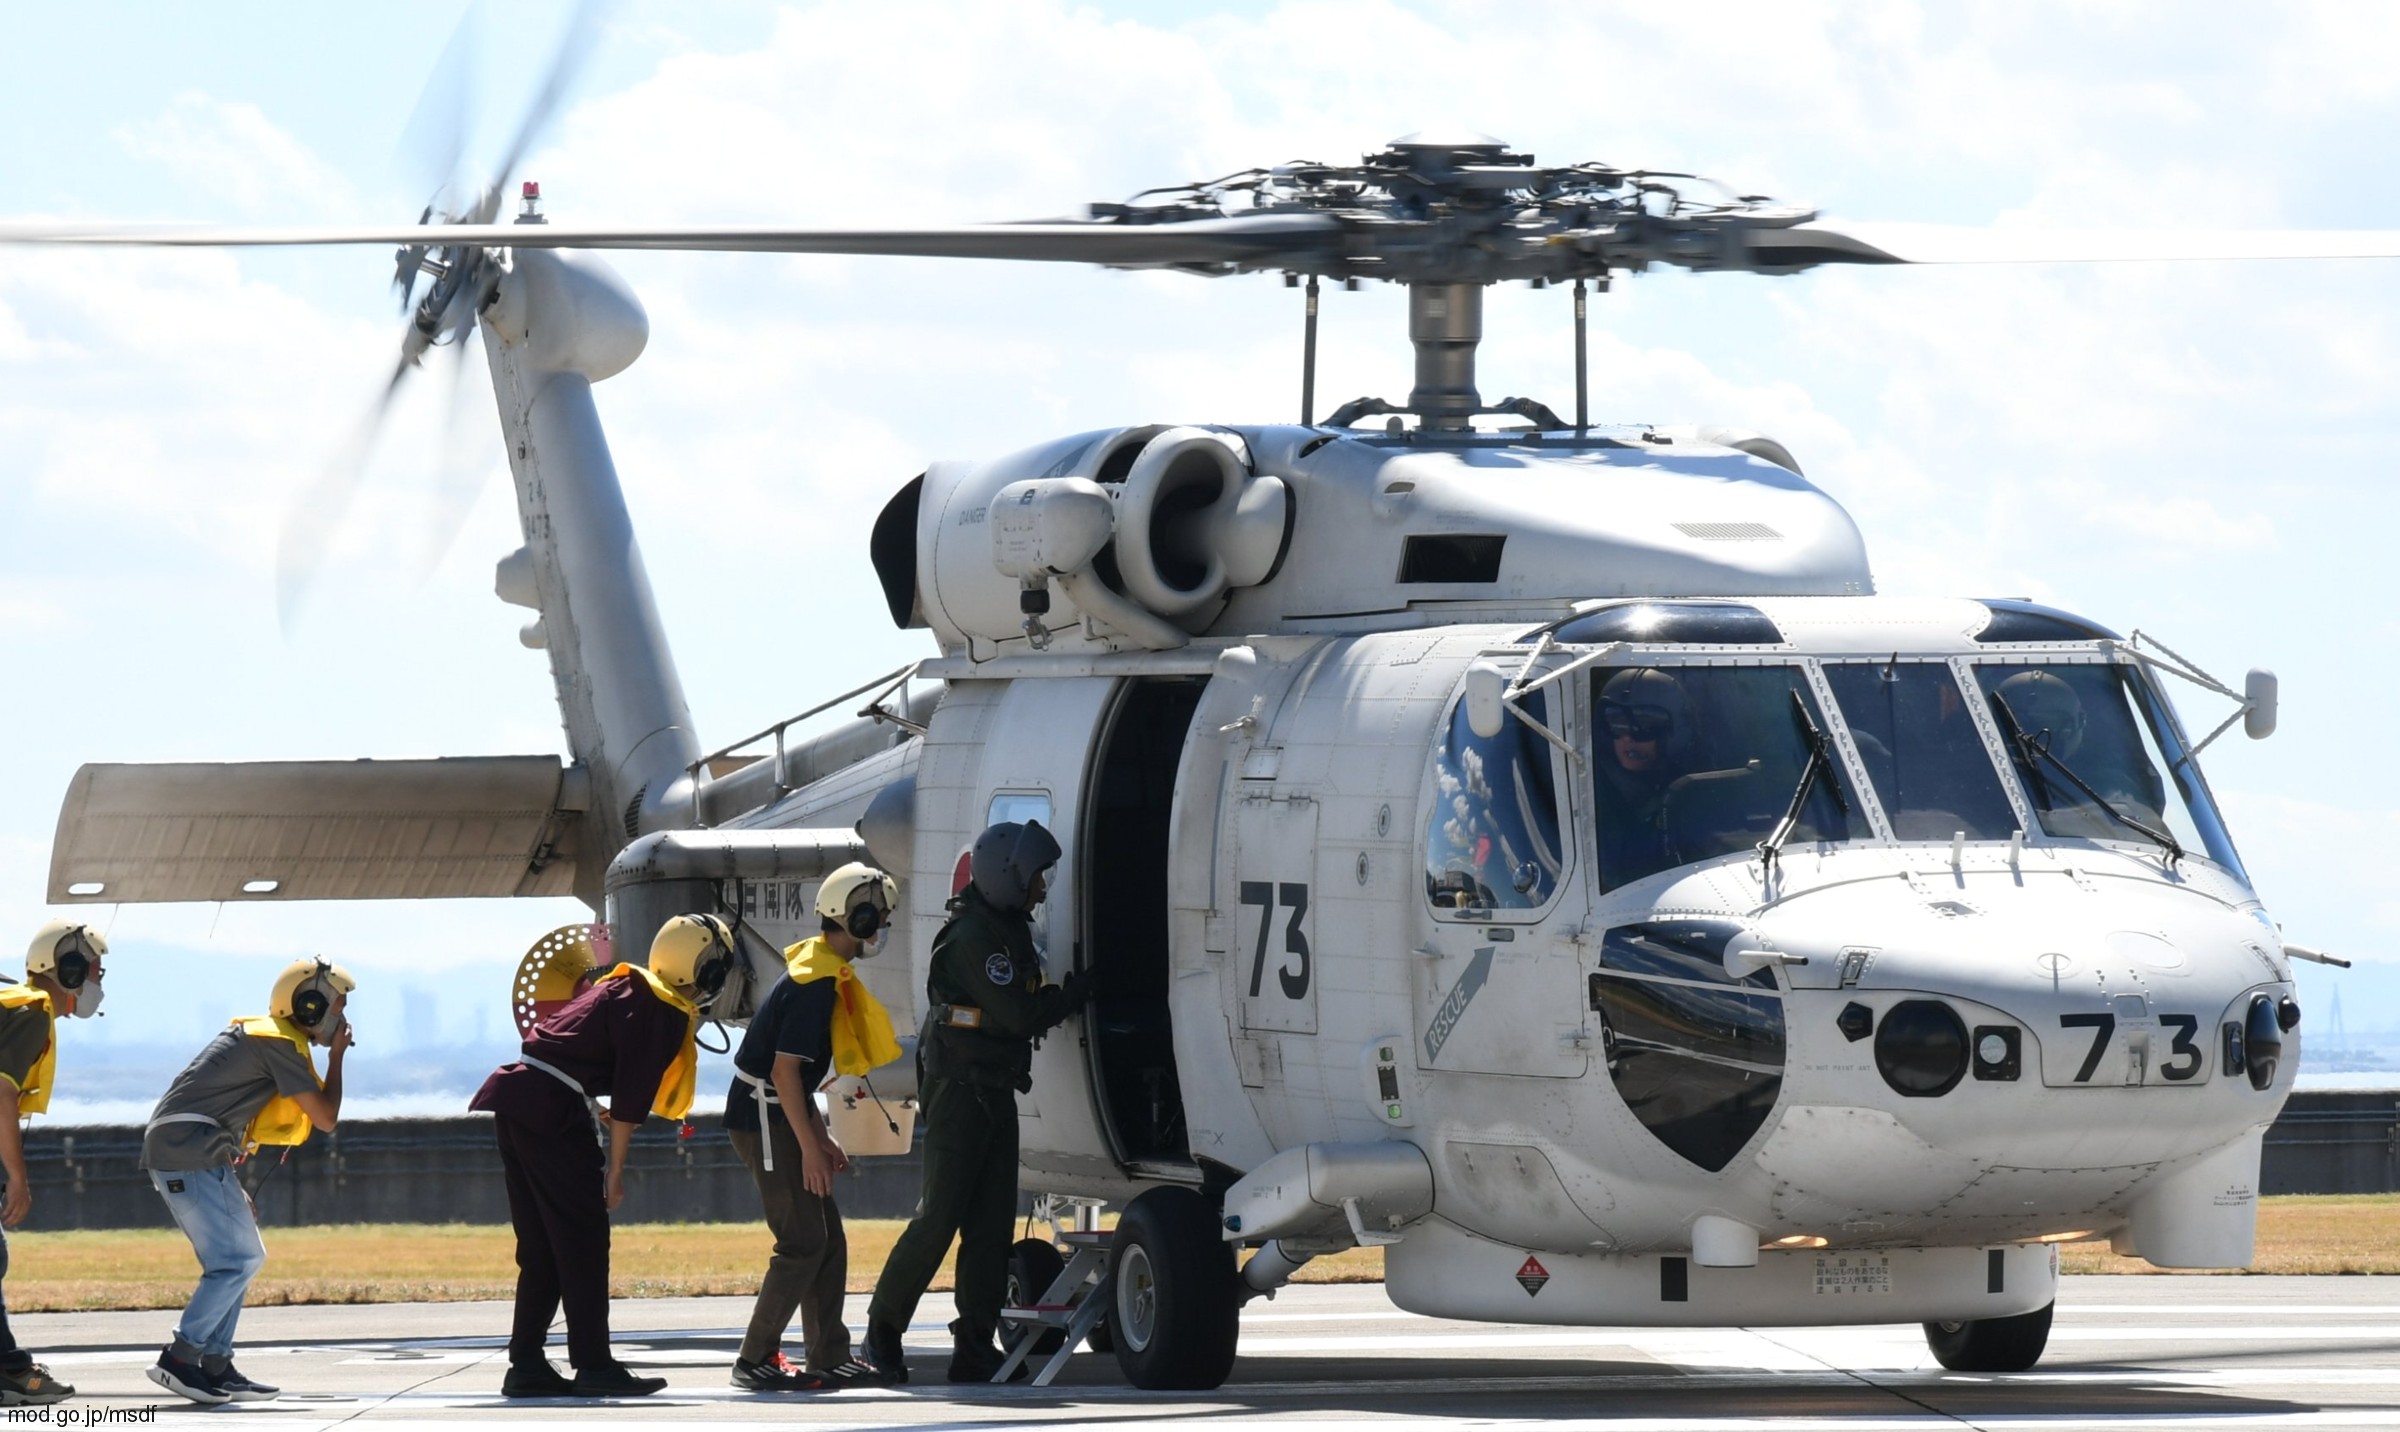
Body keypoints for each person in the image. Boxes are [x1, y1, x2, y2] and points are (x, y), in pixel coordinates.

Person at [863, 821, 1089, 1384]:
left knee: (990, 1227)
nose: (1042, 887)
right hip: (959, 1091)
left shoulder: (1006, 931)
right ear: (1008, 877)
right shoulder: (971, 940)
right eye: (1036, 877)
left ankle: (974, 1345)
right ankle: (882, 1332)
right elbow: (1017, 1014)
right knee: (939, 1217)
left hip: (993, 1088)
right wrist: (1079, 992)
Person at [470, 914, 727, 1399]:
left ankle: (525, 1363)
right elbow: (633, 1094)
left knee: (544, 1246)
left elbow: (571, 1050)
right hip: (552, 1111)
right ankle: (593, 1364)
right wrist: (615, 1170)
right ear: (703, 971)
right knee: (585, 1242)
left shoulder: (625, 984)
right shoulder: (660, 1007)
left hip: (519, 1097)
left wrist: (592, 1107)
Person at [141, 957, 354, 1405]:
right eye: (338, 1005)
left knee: (236, 1259)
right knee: (239, 1260)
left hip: (193, 1147)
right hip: (187, 1148)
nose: (343, 1018)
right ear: (311, 1005)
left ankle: (216, 1365)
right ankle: (181, 1359)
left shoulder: (267, 1037)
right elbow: (326, 1118)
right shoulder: (277, 1042)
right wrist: (336, 1058)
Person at [724, 862, 903, 1392]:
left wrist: (820, 1139)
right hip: (766, 1115)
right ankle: (754, 1359)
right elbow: (783, 1072)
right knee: (803, 1241)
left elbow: (797, 1077)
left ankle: (828, 1356)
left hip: (781, 1110)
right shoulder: (815, 985)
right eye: (878, 915)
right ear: (858, 916)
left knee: (829, 1238)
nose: (883, 926)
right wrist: (809, 1148)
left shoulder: (823, 968)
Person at [0, 923, 110, 1405]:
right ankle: (9, 1371)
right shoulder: (31, 1011)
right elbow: (1, 1093)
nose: (98, 982)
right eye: (93, 971)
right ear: (66, 969)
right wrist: (18, 1178)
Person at [1594, 667, 1693, 882]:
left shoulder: (1694, 789)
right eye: (1617, 724)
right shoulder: (1591, 794)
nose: (1628, 738)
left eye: (1645, 725)